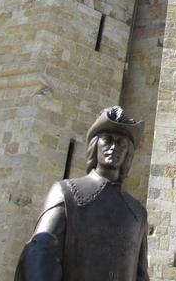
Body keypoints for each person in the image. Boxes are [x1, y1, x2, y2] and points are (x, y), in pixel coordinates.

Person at [15, 106, 149, 281]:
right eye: (107, 139)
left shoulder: (137, 212)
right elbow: (40, 250)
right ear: (95, 145)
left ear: (128, 152)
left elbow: (140, 274)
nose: (113, 147)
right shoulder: (67, 192)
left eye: (121, 143)